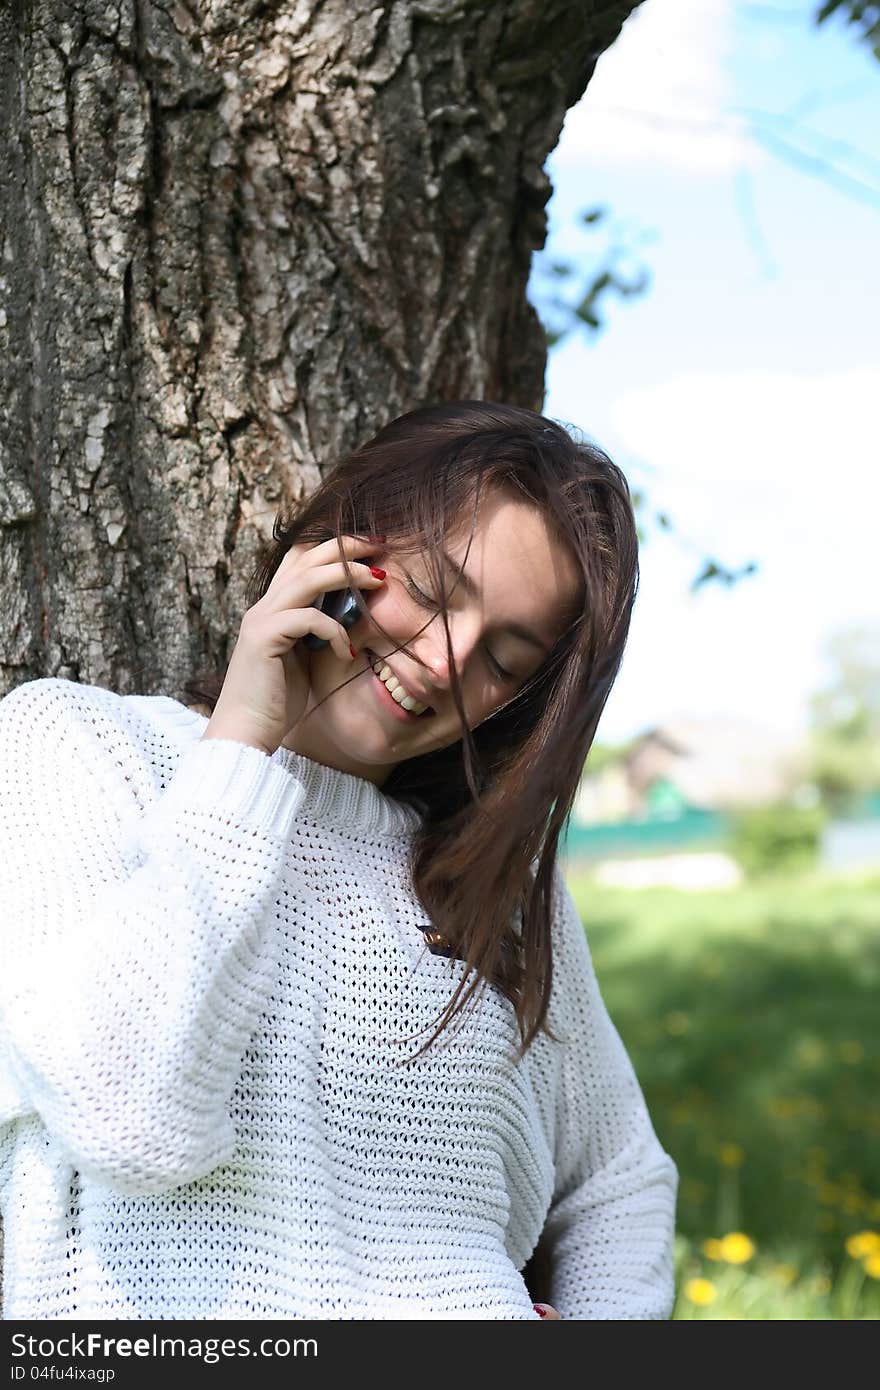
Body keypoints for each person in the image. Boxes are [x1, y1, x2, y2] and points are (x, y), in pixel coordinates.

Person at [0, 400, 678, 1320]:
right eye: (437, 594)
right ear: (341, 544)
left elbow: (618, 1182)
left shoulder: (499, 883)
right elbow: (128, 1120)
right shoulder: (82, 750)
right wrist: (243, 747)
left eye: (505, 659)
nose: (447, 662)